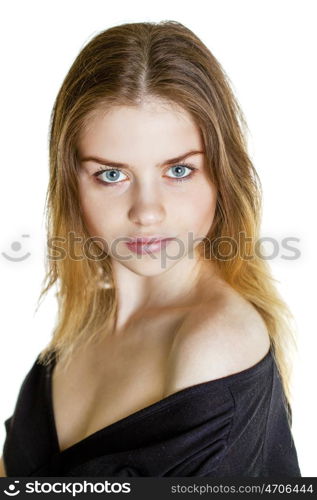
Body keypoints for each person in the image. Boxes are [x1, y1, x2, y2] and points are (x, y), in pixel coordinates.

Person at [0, 20, 301, 477]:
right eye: (112, 174)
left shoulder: (211, 343)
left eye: (178, 171)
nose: (147, 211)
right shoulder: (74, 335)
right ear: (71, 184)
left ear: (222, 174)